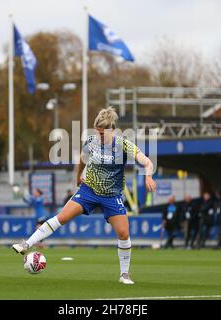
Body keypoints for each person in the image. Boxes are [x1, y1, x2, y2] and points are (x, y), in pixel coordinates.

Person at [12, 106, 157, 285]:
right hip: (89, 190)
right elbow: (82, 159)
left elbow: (147, 162)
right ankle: (27, 244)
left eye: (102, 133)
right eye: (97, 132)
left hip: (112, 195)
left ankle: (124, 274)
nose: (99, 136)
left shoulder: (123, 145)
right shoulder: (91, 141)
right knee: (62, 216)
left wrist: (148, 175)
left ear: (111, 130)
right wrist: (78, 177)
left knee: (123, 233)